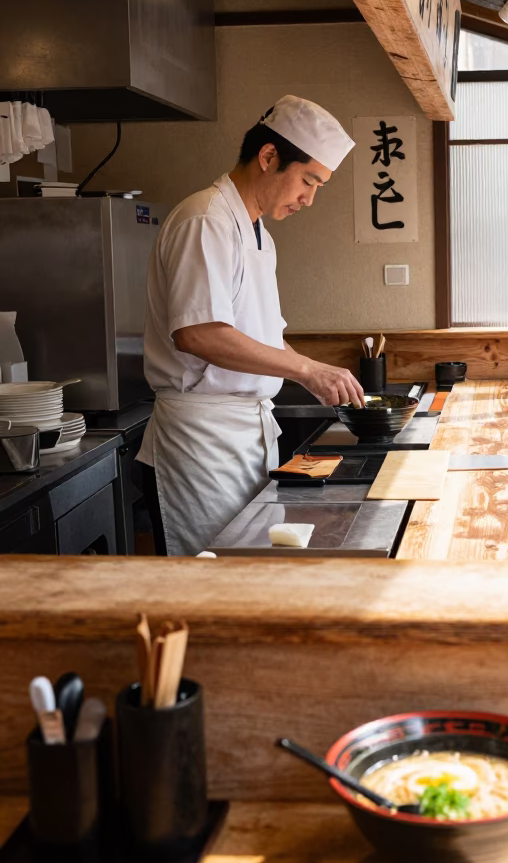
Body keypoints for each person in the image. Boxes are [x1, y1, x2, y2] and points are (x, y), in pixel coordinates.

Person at [138, 95, 364, 556]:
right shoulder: (206, 219)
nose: (309, 198)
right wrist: (305, 371)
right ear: (268, 157)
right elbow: (199, 333)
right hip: (202, 444)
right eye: (308, 180)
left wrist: (317, 371)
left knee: (251, 567)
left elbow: (262, 337)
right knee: (212, 582)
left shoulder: (258, 233)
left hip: (245, 437)